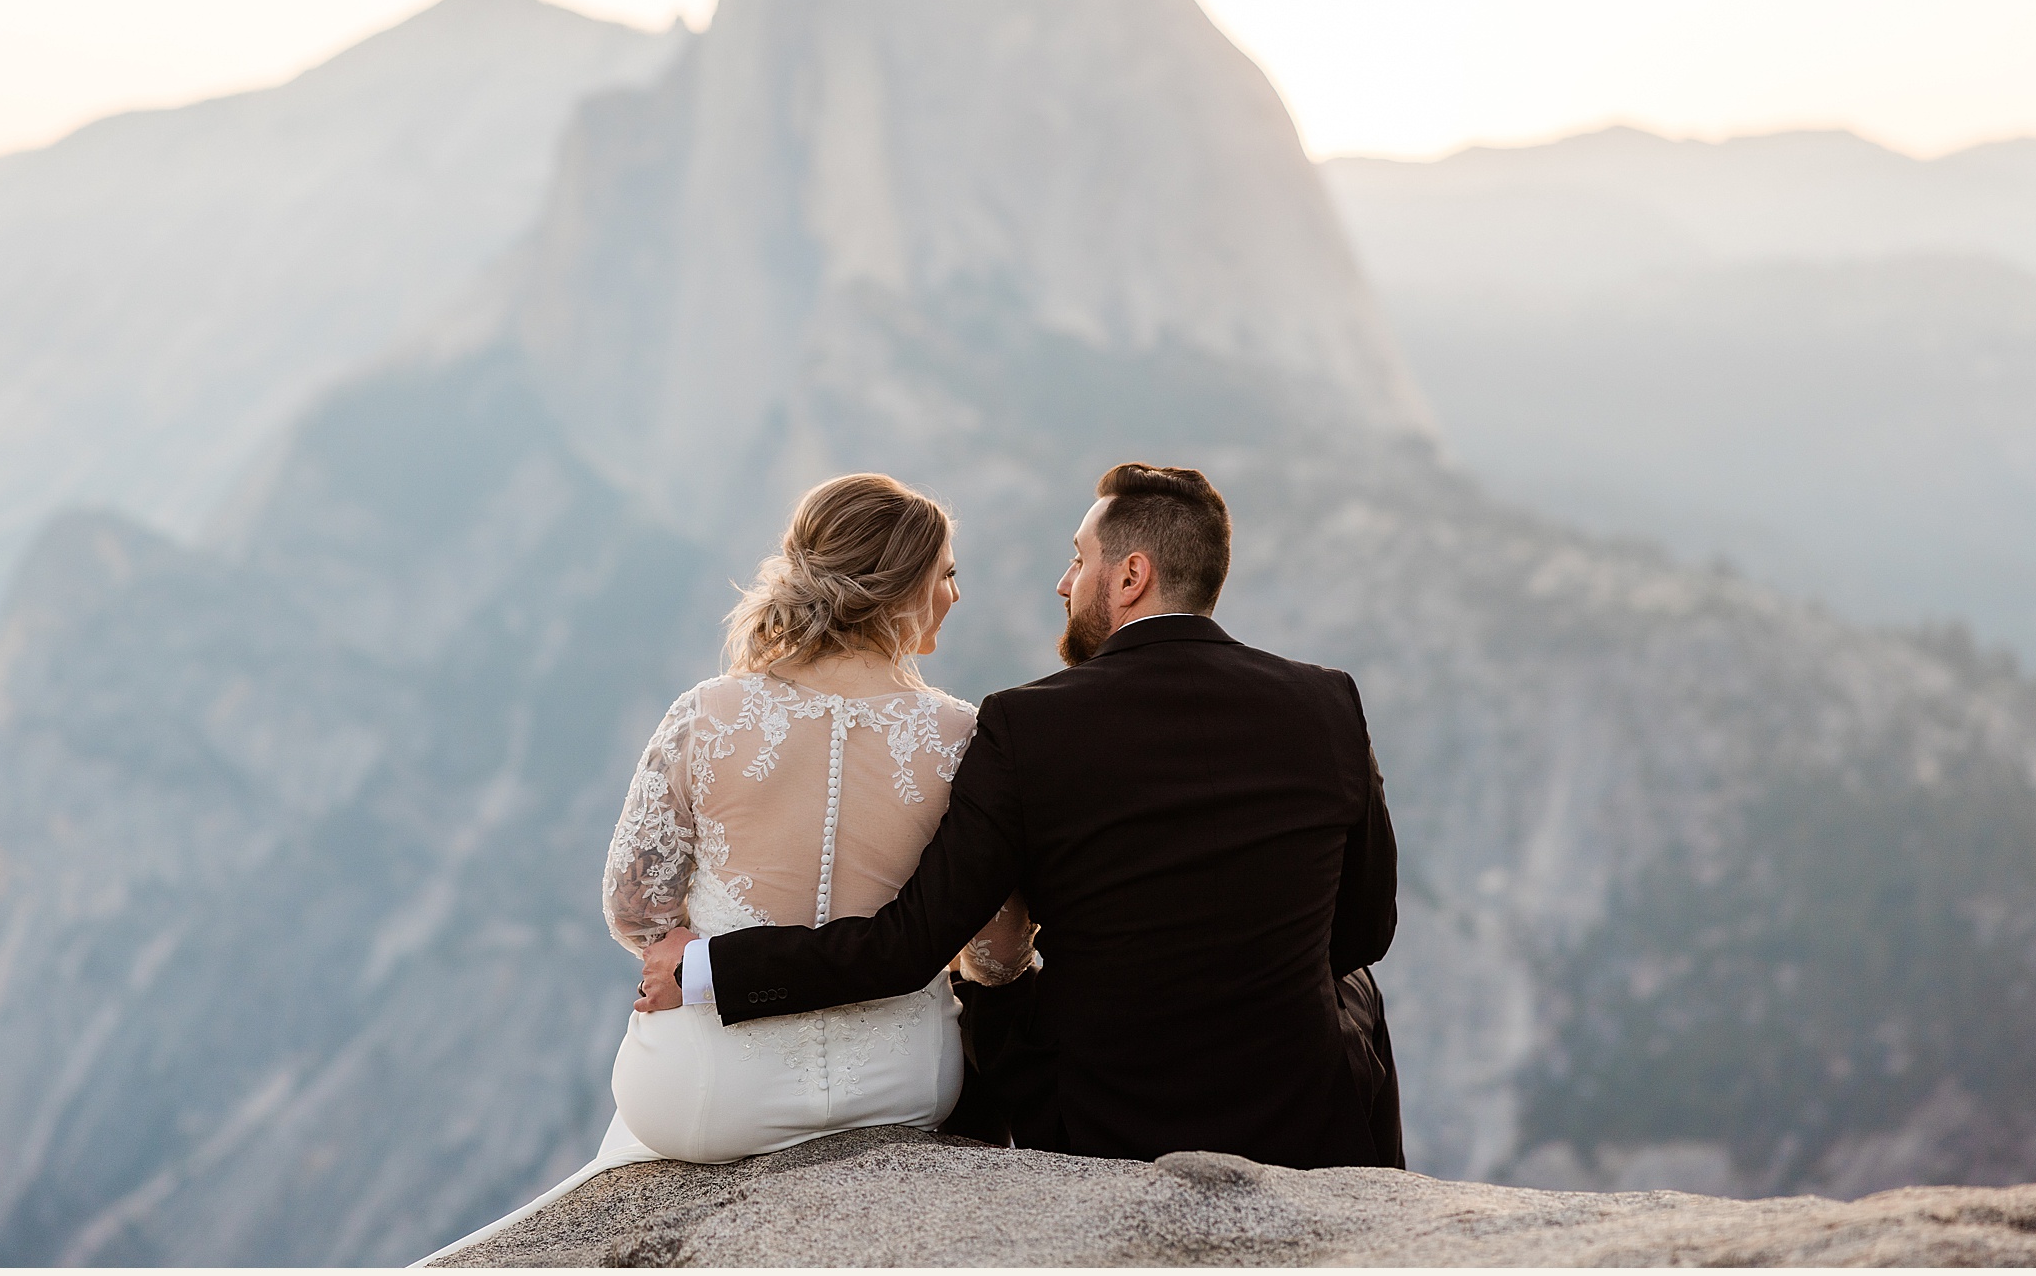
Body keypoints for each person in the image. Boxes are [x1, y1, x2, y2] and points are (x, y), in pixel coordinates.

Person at [639, 462, 1403, 1171]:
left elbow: (908, 946)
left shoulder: (1026, 726)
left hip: (1105, 1121)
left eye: (1079, 559)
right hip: (1304, 1113)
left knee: (1003, 987)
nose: (1064, 582)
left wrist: (707, 965)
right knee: (1354, 988)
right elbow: (1364, 931)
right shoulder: (1327, 701)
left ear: (1131, 575)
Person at [416, 473, 1031, 1267]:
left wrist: (700, 952)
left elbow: (634, 909)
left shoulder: (706, 712)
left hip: (708, 1094)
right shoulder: (962, 737)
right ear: (903, 587)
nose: (955, 592)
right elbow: (997, 951)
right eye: (946, 573)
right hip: (902, 1084)